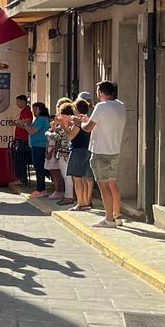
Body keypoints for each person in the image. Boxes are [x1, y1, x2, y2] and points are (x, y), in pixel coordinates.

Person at [82, 81, 127, 227]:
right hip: (115, 150)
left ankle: (108, 219)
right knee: (113, 184)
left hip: (100, 151)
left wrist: (81, 122)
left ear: (101, 92)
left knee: (104, 186)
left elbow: (88, 128)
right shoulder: (121, 105)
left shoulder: (101, 106)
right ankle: (116, 215)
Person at [66, 98, 95, 212]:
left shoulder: (78, 123)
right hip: (87, 150)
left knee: (77, 179)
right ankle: (84, 202)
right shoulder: (87, 120)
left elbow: (70, 136)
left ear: (76, 110)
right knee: (82, 178)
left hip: (77, 150)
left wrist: (64, 125)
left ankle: (81, 203)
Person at [49, 100, 76, 205]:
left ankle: (69, 196)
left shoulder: (65, 124)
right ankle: (72, 195)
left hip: (64, 153)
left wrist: (53, 128)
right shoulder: (74, 123)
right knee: (71, 177)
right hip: (70, 152)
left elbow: (56, 136)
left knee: (67, 176)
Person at [28, 102, 51, 197]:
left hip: (39, 146)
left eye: (35, 109)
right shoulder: (42, 119)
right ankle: (41, 188)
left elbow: (33, 131)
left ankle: (40, 189)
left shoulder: (41, 119)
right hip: (39, 145)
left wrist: (26, 127)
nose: (33, 111)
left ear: (39, 109)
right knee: (40, 168)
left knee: (39, 168)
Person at [12, 95, 33, 186]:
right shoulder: (23, 111)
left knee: (21, 159)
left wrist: (15, 124)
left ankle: (22, 179)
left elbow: (26, 125)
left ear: (23, 101)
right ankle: (20, 178)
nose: (17, 104)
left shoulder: (27, 111)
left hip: (23, 139)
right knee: (18, 159)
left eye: (18, 102)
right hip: (19, 138)